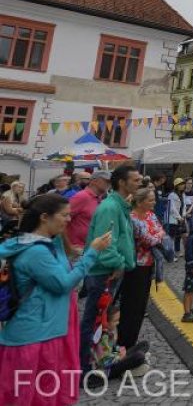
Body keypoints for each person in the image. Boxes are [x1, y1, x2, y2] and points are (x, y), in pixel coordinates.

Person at [0, 194, 112, 405]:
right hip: (36, 335)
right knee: (35, 396)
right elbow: (63, 283)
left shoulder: (36, 242)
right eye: (64, 215)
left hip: (41, 330)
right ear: (44, 217)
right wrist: (92, 253)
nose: (69, 219)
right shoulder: (37, 252)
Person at [80, 165, 140, 374]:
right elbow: (105, 243)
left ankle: (100, 358)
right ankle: (85, 367)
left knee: (102, 318)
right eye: (135, 180)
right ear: (122, 183)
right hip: (103, 272)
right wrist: (118, 263)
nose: (139, 183)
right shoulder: (110, 208)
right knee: (94, 319)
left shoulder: (120, 205)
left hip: (109, 271)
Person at [118, 188, 165, 351]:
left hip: (149, 263)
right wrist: (156, 237)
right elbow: (150, 239)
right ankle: (124, 342)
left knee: (141, 305)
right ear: (139, 202)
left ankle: (132, 340)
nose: (154, 202)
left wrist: (156, 236)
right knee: (131, 305)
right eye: (150, 200)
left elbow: (161, 232)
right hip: (135, 265)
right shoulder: (132, 219)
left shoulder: (150, 215)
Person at [91, 305, 151, 379]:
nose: (118, 322)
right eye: (115, 321)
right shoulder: (102, 337)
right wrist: (119, 356)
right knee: (139, 356)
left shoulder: (111, 331)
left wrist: (119, 351)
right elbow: (103, 362)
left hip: (115, 358)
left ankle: (135, 364)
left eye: (118, 320)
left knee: (145, 344)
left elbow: (112, 349)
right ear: (107, 322)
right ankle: (127, 371)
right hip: (108, 370)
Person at [166, 178, 188, 257]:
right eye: (180, 184)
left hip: (182, 218)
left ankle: (186, 251)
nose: (183, 185)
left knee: (184, 235)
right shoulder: (171, 195)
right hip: (174, 219)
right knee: (172, 237)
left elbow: (184, 205)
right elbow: (172, 208)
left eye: (183, 184)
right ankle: (171, 254)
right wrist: (179, 217)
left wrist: (184, 215)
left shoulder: (183, 194)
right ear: (176, 186)